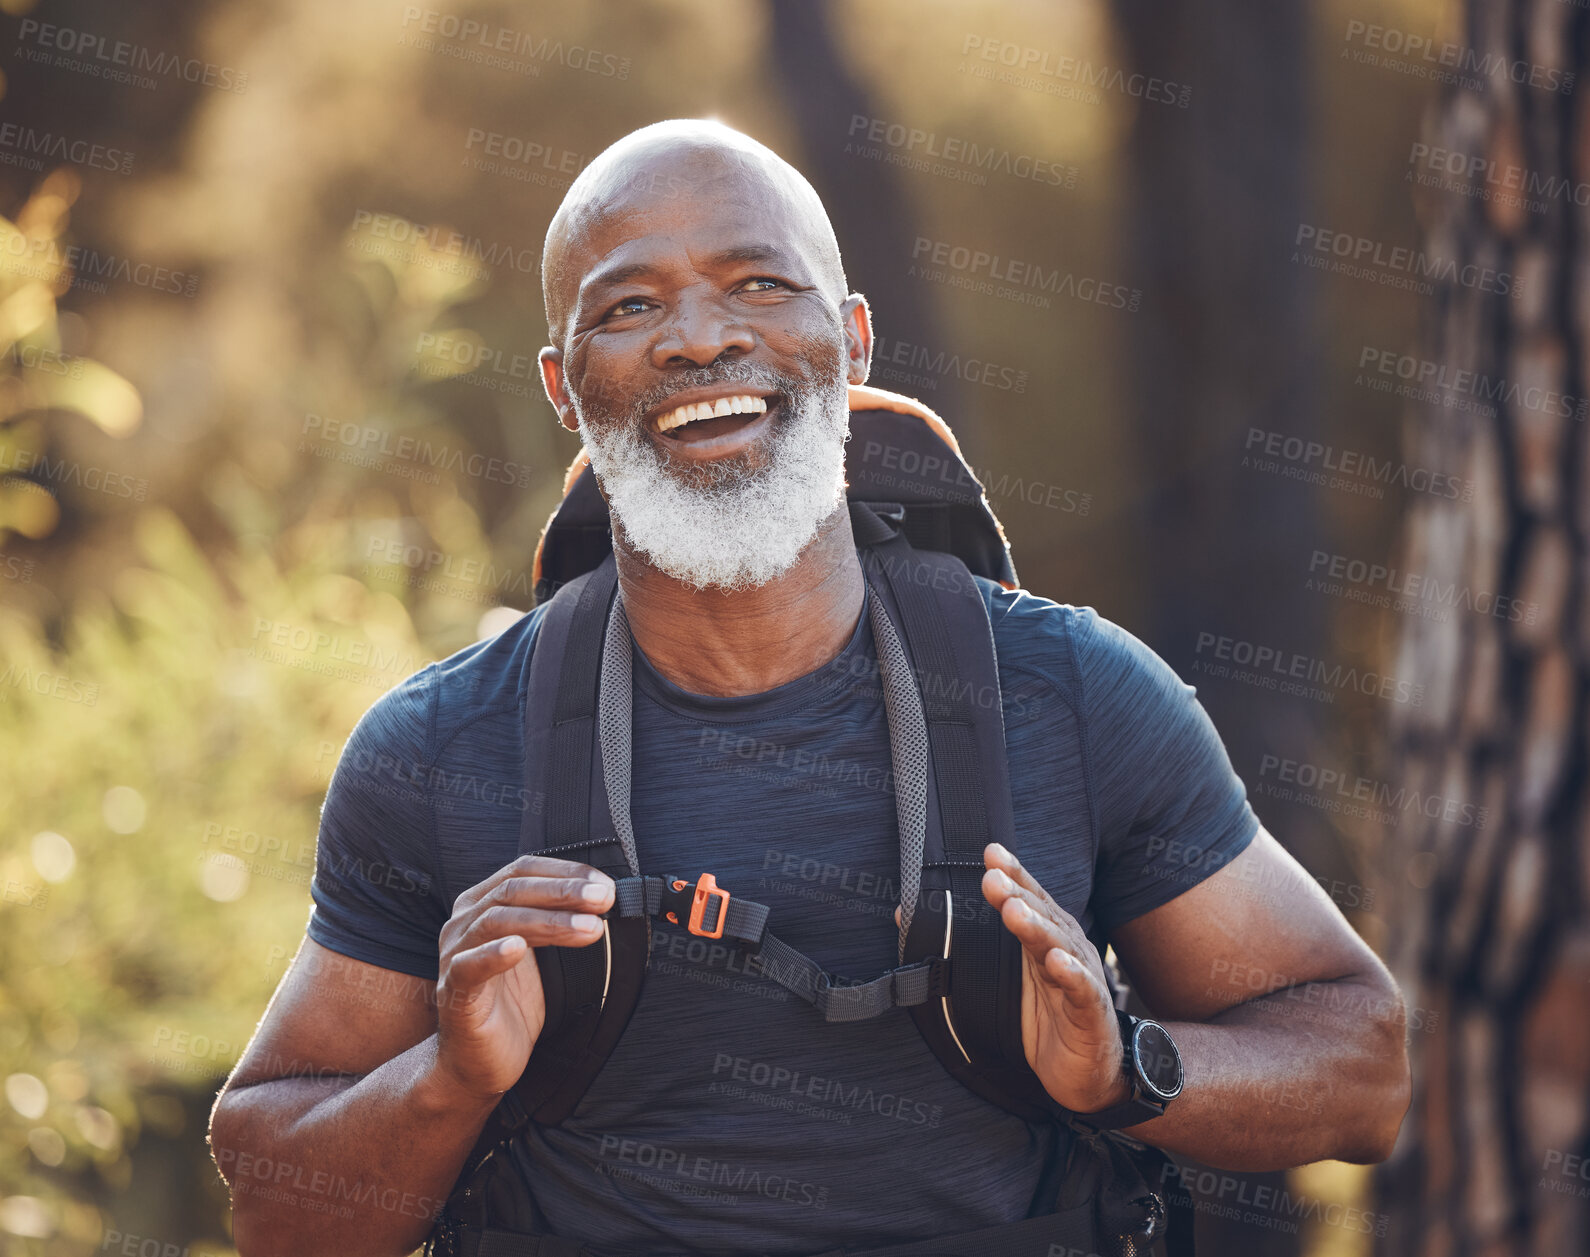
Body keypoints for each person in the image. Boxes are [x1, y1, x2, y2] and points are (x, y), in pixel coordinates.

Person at [208, 119, 1411, 1257]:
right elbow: (273, 1211)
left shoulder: (1073, 695)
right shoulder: (442, 748)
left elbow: (1364, 1070)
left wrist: (1125, 1071)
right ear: (563, 388)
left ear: (857, 337)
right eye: (629, 305)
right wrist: (447, 1079)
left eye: (760, 285)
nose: (698, 338)